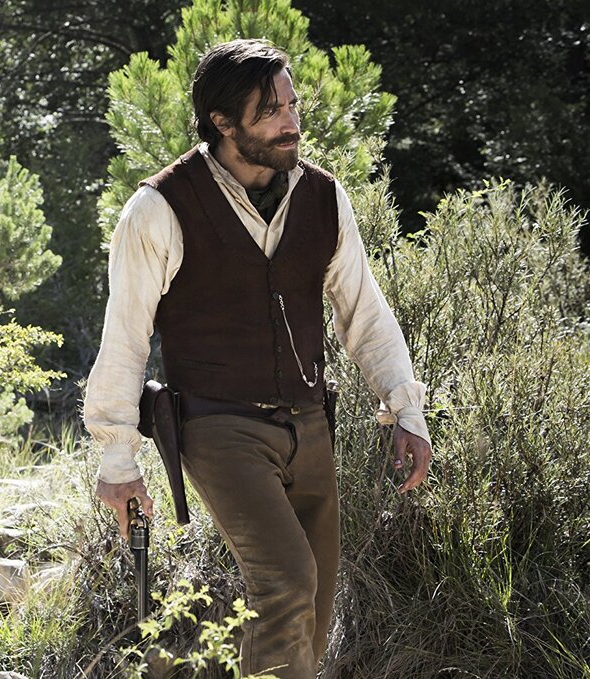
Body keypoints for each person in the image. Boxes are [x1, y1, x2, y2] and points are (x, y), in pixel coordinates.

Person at [84, 40, 433, 679]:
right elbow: (125, 335)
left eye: (292, 106)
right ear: (223, 122)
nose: (290, 122)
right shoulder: (159, 208)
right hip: (219, 425)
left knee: (316, 608)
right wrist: (117, 458)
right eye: (270, 112)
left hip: (310, 422)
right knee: (286, 581)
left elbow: (365, 312)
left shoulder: (324, 197)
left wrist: (405, 409)